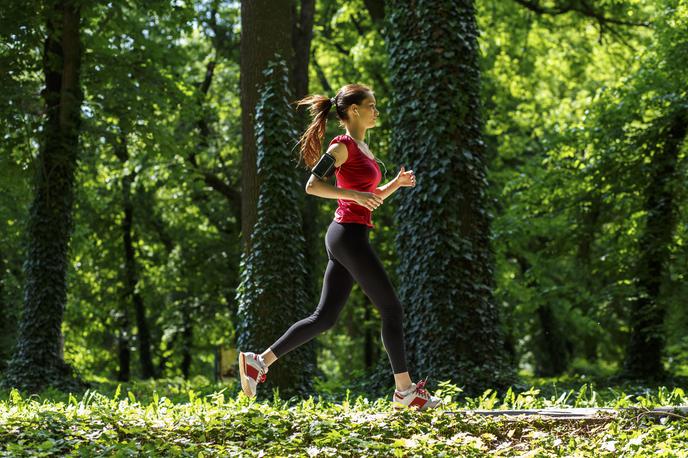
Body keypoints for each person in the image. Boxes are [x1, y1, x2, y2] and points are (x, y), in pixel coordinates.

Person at [238, 83, 442, 411]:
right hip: (347, 235)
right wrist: (355, 195)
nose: (376, 110)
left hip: (348, 233)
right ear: (354, 110)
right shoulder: (342, 146)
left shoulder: (364, 149)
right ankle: (405, 391)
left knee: (324, 317)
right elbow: (313, 185)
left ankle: (258, 361)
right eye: (371, 105)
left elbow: (368, 196)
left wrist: (395, 185)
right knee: (391, 309)